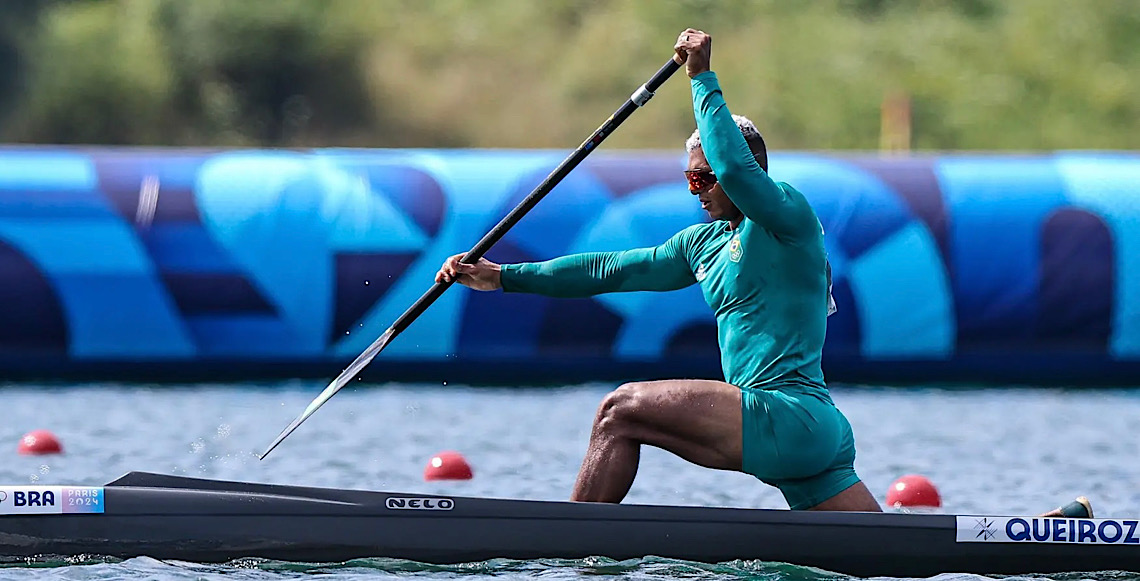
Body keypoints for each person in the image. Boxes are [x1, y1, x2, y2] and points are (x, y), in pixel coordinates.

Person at [436, 28, 879, 512]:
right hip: (810, 441)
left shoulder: (788, 218)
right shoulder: (703, 243)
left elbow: (734, 171)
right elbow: (610, 271)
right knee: (888, 556)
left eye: (704, 178)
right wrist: (503, 277)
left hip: (789, 415)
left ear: (755, 171)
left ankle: (570, 541)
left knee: (619, 411)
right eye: (690, 178)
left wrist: (701, 76)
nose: (699, 190)